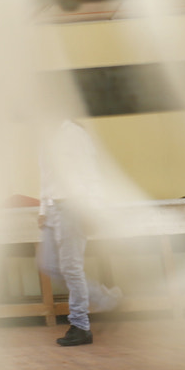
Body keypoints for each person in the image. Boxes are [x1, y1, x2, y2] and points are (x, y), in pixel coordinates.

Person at [37, 117, 121, 347]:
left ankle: (81, 326)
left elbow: (91, 174)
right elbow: (46, 176)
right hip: (54, 207)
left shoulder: (73, 133)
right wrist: (43, 207)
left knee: (70, 267)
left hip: (74, 206)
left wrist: (93, 209)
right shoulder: (45, 135)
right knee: (49, 264)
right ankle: (106, 299)